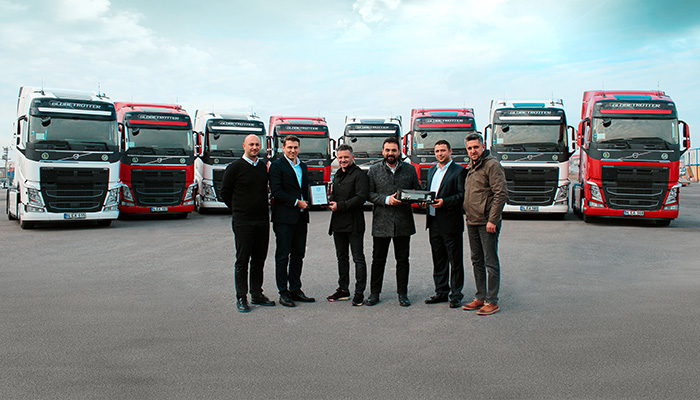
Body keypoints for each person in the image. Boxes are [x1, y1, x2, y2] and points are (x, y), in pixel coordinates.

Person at [220, 134, 275, 313]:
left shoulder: (262, 167)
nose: (254, 147)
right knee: (242, 260)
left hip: (262, 221)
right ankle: (241, 297)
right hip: (243, 221)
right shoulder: (234, 167)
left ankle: (256, 294)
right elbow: (225, 193)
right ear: (244, 146)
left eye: (257, 144)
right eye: (251, 144)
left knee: (259, 259)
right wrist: (237, 209)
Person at [365, 137, 420, 307]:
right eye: (387, 150)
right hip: (381, 222)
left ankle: (402, 294)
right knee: (378, 260)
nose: (390, 153)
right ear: (383, 151)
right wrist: (387, 200)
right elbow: (369, 194)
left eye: (394, 150)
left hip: (403, 222)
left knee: (403, 260)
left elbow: (417, 190)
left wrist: (420, 198)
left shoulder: (410, 169)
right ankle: (374, 293)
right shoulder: (374, 170)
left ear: (399, 151)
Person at [461, 133, 508, 315]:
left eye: (476, 147)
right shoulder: (472, 166)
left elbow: (501, 194)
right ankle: (480, 297)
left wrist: (492, 220)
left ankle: (492, 301)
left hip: (487, 223)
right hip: (472, 221)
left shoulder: (491, 165)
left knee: (490, 262)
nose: (473, 151)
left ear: (483, 146)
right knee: (476, 261)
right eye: (470, 148)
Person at [269, 135, 315, 307]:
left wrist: (314, 200)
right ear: (283, 148)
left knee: (298, 255)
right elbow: (276, 191)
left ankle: (295, 289)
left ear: (299, 148)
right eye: (289, 147)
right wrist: (297, 202)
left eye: (295, 147)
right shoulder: (276, 166)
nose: (292, 150)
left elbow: (304, 189)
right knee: (283, 256)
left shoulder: (303, 166)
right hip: (284, 219)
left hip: (301, 217)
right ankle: (283, 292)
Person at [424, 140, 466, 309]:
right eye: (437, 151)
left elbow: (462, 195)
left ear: (450, 151)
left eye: (443, 150)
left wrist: (445, 202)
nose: (440, 154)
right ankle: (441, 292)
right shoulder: (432, 170)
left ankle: (456, 295)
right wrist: (423, 200)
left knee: (455, 261)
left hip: (451, 223)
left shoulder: (459, 171)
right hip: (433, 221)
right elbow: (428, 192)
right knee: (439, 260)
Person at [327, 144, 369, 306]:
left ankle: (359, 292)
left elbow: (361, 198)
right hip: (338, 223)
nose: (343, 160)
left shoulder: (360, 175)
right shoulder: (338, 174)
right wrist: (329, 200)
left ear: (353, 157)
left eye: (346, 157)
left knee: (358, 258)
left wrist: (340, 206)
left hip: (354, 223)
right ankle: (343, 289)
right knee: (341, 258)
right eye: (340, 157)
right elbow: (335, 194)